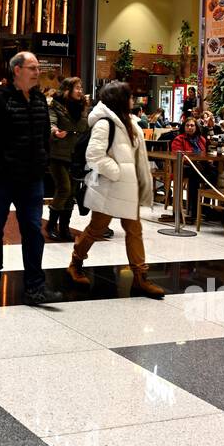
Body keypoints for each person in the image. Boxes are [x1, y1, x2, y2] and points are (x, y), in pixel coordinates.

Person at [0, 51, 61, 304]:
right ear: (17, 70)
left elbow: (45, 133)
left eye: (37, 68)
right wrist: (2, 159)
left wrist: (43, 159)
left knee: (33, 230)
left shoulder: (38, 100)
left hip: (32, 178)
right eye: (32, 68)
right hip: (3, 177)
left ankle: (35, 285)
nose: (37, 72)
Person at [67, 80, 165, 298]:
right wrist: (118, 173)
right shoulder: (105, 123)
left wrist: (136, 180)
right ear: (120, 99)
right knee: (96, 229)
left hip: (127, 189)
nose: (133, 100)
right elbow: (94, 156)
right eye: (129, 96)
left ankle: (140, 276)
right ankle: (75, 262)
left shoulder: (131, 123)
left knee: (134, 230)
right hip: (109, 188)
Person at [47, 76, 88, 241]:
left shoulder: (82, 108)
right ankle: (50, 225)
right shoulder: (55, 106)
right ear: (67, 90)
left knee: (72, 192)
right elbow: (51, 123)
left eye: (81, 88)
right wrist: (55, 131)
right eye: (77, 88)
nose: (80, 91)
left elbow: (86, 127)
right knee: (64, 189)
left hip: (75, 156)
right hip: (57, 154)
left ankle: (64, 228)